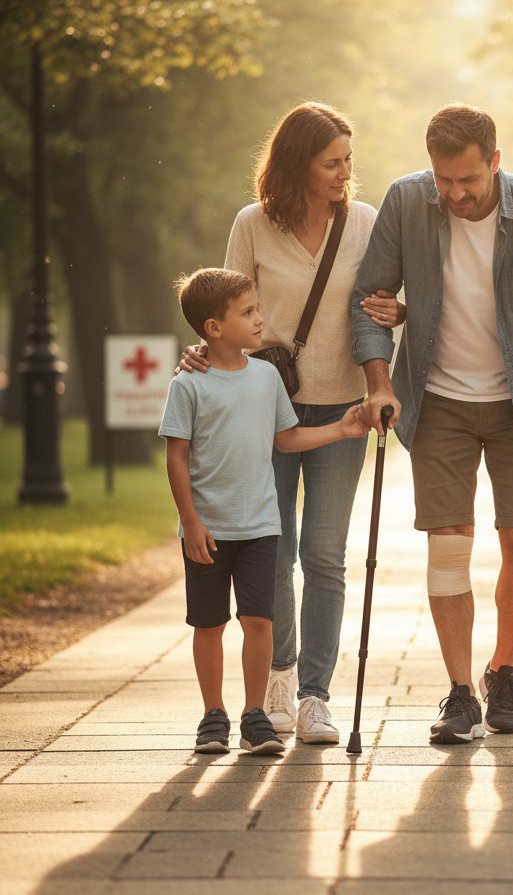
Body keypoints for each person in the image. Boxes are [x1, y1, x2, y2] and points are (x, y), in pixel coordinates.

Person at [352, 103, 513, 744]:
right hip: (436, 400)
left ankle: (504, 670)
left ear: (496, 161)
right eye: (444, 180)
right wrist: (380, 383)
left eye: (468, 180)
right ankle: (461, 692)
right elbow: (368, 303)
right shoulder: (408, 202)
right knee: (450, 547)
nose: (455, 194)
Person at [177, 102, 402, 744]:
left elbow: (384, 300)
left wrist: (398, 309)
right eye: (331, 162)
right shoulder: (253, 224)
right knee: (268, 550)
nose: (343, 173)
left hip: (342, 408)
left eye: (347, 162)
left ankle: (314, 695)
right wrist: (202, 350)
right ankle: (276, 676)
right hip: (261, 408)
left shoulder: (365, 222)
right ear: (297, 162)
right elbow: (225, 305)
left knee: (324, 553)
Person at [160, 267, 371, 755]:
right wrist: (190, 521)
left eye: (257, 309)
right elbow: (176, 455)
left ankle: (255, 715)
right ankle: (213, 715)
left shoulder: (267, 377)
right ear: (214, 328)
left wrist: (341, 430)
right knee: (209, 625)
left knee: (259, 622)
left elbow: (287, 438)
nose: (260, 319)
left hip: (259, 527)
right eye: (248, 312)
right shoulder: (188, 385)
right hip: (207, 530)